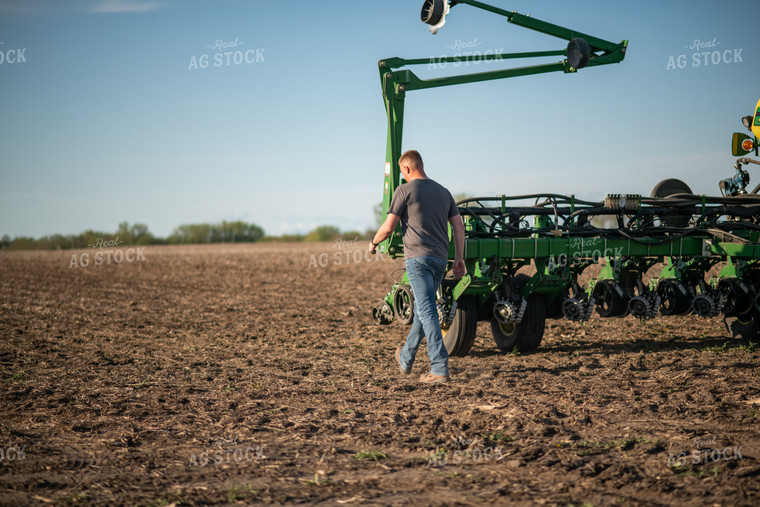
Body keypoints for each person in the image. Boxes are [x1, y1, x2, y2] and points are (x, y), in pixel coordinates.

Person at [368, 150, 466, 384]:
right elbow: (459, 226)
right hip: (441, 260)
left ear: (407, 169)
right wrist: (459, 258)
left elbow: (389, 227)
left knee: (427, 310)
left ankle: (439, 368)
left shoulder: (403, 190)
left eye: (402, 171)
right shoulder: (444, 192)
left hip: (418, 260)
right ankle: (406, 357)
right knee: (423, 311)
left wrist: (373, 242)